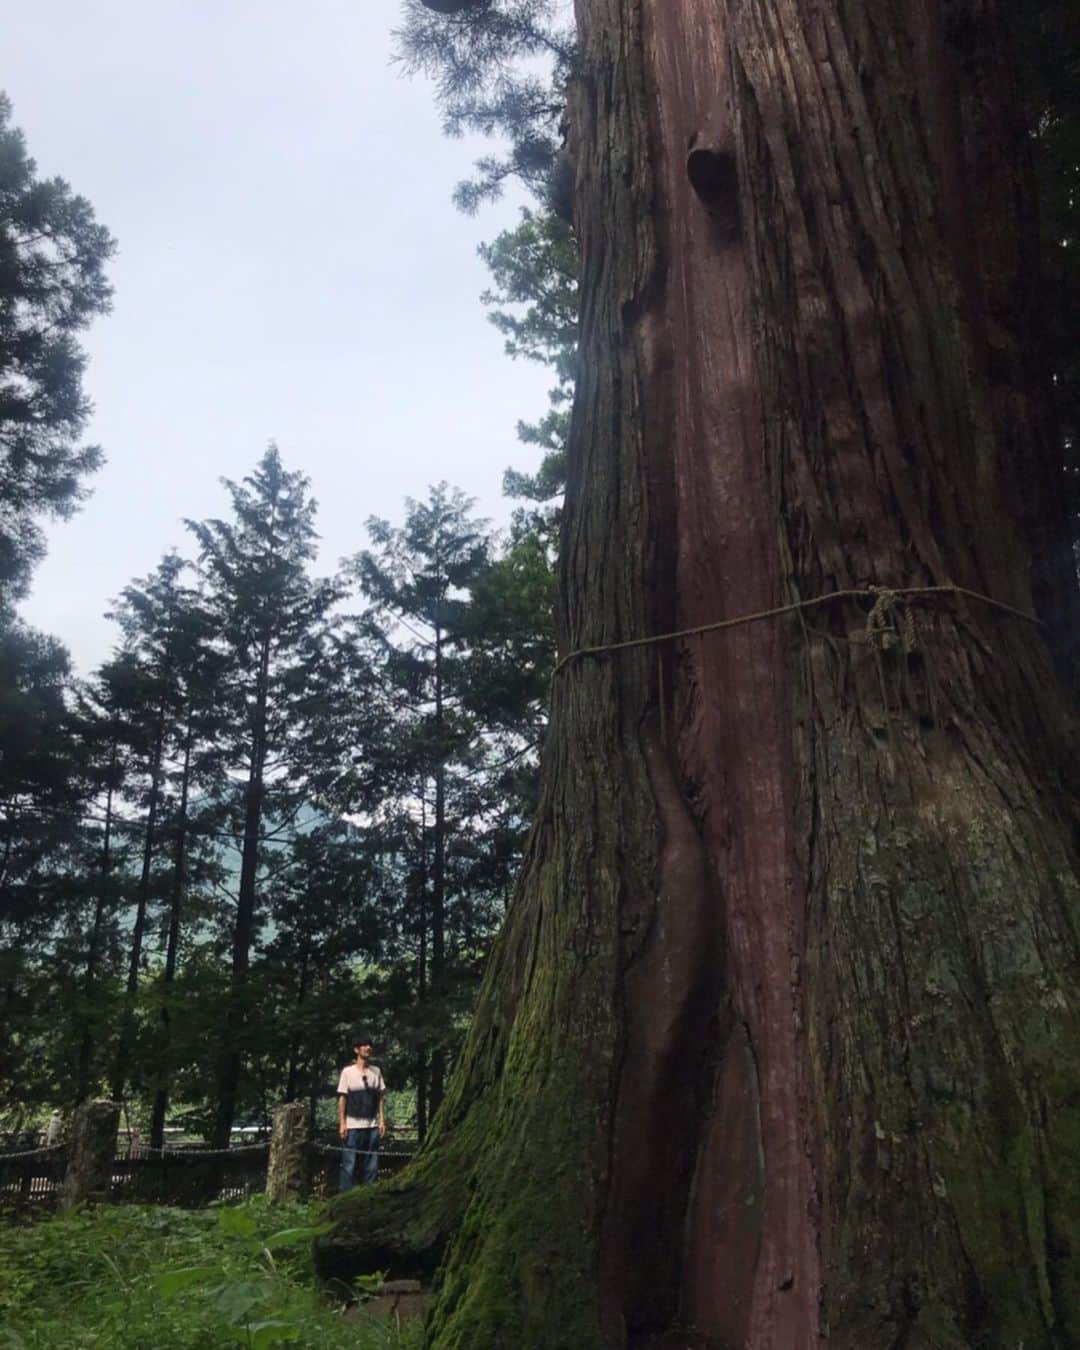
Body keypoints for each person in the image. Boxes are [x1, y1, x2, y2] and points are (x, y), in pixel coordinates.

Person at [336, 1034, 385, 1191]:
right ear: (356, 1050)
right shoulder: (347, 1072)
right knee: (349, 1165)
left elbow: (380, 1098)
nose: (368, 1048)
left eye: (369, 1045)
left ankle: (368, 1195)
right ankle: (345, 1198)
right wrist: (342, 1123)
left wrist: (381, 1121)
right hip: (352, 1126)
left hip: (371, 1126)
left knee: (371, 1165)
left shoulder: (376, 1071)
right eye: (364, 1045)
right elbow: (342, 1098)